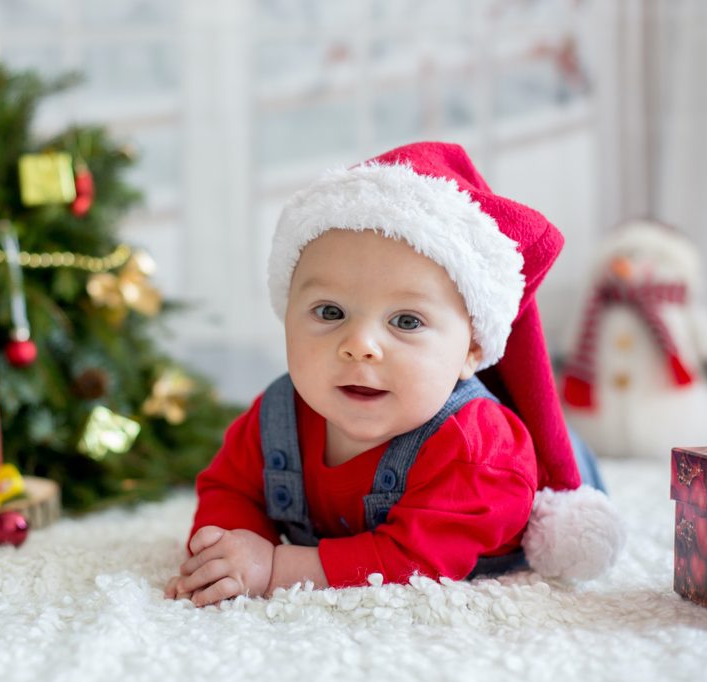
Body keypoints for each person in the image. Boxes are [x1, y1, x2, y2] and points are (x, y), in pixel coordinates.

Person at [165, 142, 624, 607]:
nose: (360, 344)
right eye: (329, 311)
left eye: (406, 321)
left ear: (472, 350)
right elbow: (230, 486)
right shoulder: (278, 416)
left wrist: (273, 567)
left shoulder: (478, 449)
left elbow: (416, 562)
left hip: (514, 494)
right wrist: (228, 548)